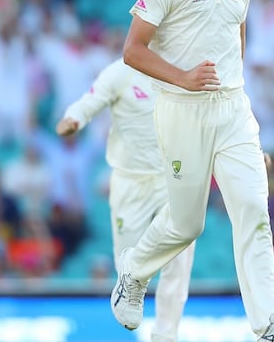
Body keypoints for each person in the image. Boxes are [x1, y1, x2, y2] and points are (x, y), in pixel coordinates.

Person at [110, 0, 274, 341]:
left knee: (254, 211)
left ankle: (270, 325)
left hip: (233, 111)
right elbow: (133, 50)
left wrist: (241, 113)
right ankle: (134, 272)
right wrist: (182, 78)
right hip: (182, 112)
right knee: (188, 224)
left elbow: (234, 43)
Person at [56, 58, 196, 342]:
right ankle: (128, 299)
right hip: (129, 182)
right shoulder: (121, 71)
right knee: (127, 263)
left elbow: (213, 115)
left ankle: (166, 334)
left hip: (172, 178)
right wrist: (74, 118)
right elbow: (91, 100)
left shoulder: (183, 68)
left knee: (179, 258)